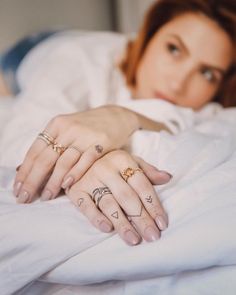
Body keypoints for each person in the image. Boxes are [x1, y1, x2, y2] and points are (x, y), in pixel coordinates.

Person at [10, 0, 235, 246]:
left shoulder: (206, 108)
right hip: (35, 47)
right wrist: (87, 165)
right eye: (174, 49)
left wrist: (124, 116)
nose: (178, 84)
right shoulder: (78, 59)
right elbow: (19, 135)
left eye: (207, 73)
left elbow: (174, 120)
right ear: (147, 36)